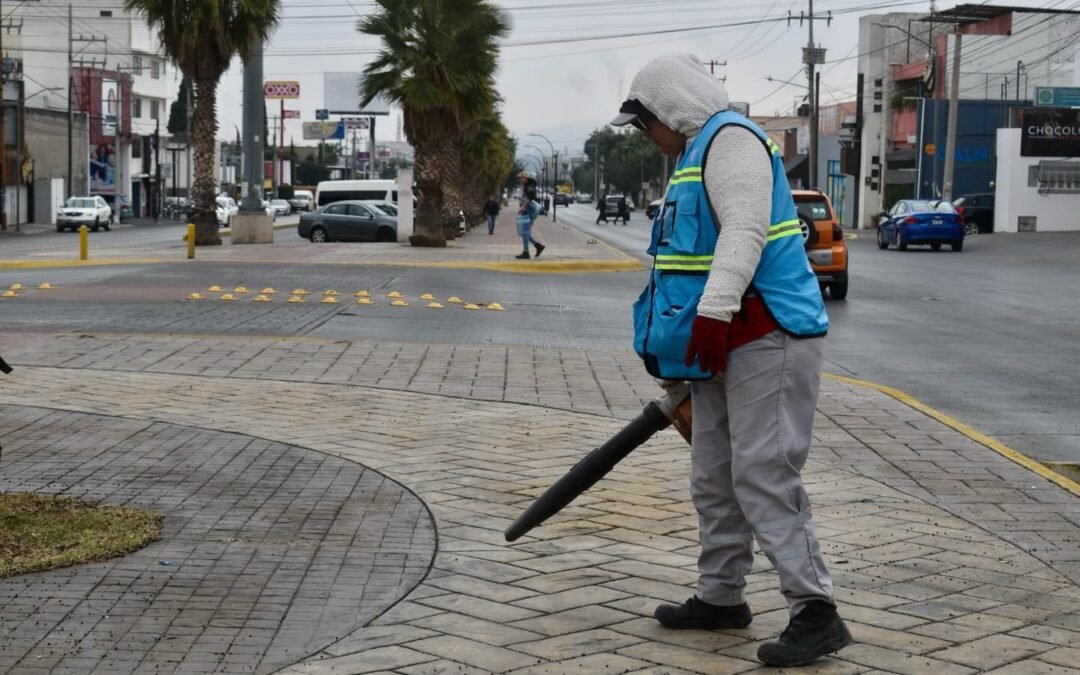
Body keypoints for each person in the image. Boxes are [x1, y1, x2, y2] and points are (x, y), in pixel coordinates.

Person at [615, 53, 851, 668]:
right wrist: (688, 343)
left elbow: (745, 229)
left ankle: (816, 611)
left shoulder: (732, 142)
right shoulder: (694, 156)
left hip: (767, 333)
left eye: (646, 123)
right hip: (719, 342)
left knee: (763, 471)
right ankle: (721, 597)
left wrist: (715, 315)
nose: (647, 135)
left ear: (671, 108)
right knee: (713, 472)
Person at [515, 173, 545, 259]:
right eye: (519, 179)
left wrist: (523, 206)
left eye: (521, 178)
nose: (520, 180)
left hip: (531, 212)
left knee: (525, 232)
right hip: (527, 212)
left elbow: (530, 195)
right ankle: (537, 246)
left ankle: (526, 252)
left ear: (526, 178)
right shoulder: (526, 185)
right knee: (524, 232)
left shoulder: (530, 185)